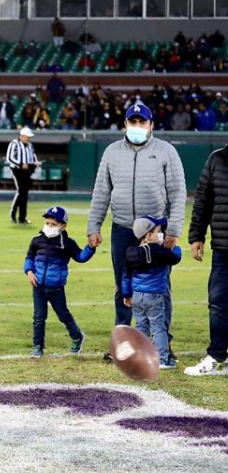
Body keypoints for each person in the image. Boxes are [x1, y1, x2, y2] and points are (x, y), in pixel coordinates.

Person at [87, 102, 186, 360]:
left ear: (151, 125)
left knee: (159, 287)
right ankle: (124, 343)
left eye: (143, 122)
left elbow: (177, 193)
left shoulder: (166, 151)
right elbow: (101, 192)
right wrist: (93, 226)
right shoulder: (111, 152)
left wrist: (173, 229)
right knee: (123, 286)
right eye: (133, 122)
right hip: (121, 228)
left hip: (154, 233)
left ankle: (162, 344)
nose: (138, 127)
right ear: (125, 124)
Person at [24, 207, 94, 358]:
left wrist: (91, 248)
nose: (49, 226)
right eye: (47, 223)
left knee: (63, 315)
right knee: (39, 317)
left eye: (53, 224)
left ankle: (76, 336)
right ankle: (37, 346)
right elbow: (29, 257)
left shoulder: (67, 243)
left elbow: (80, 257)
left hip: (56, 288)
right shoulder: (37, 240)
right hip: (38, 287)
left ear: (63, 226)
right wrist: (29, 272)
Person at [185, 142, 228, 375]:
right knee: (218, 303)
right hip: (223, 246)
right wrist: (196, 236)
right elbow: (203, 200)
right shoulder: (216, 159)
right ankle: (217, 354)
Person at [122, 216, 183, 369]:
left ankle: (139, 356)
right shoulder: (159, 251)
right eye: (158, 231)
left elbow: (126, 275)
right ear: (149, 235)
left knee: (141, 326)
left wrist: (126, 294)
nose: (161, 233)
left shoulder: (131, 252)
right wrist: (175, 246)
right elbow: (176, 257)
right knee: (158, 327)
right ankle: (163, 358)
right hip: (155, 295)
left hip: (137, 295)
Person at [7, 127, 40, 224]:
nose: (28, 139)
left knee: (24, 193)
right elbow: (9, 158)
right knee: (21, 190)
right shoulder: (14, 144)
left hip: (28, 170)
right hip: (17, 170)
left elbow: (33, 155)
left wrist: (35, 162)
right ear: (22, 136)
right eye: (27, 137)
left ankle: (22, 217)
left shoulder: (30, 145)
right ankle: (13, 213)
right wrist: (20, 164)